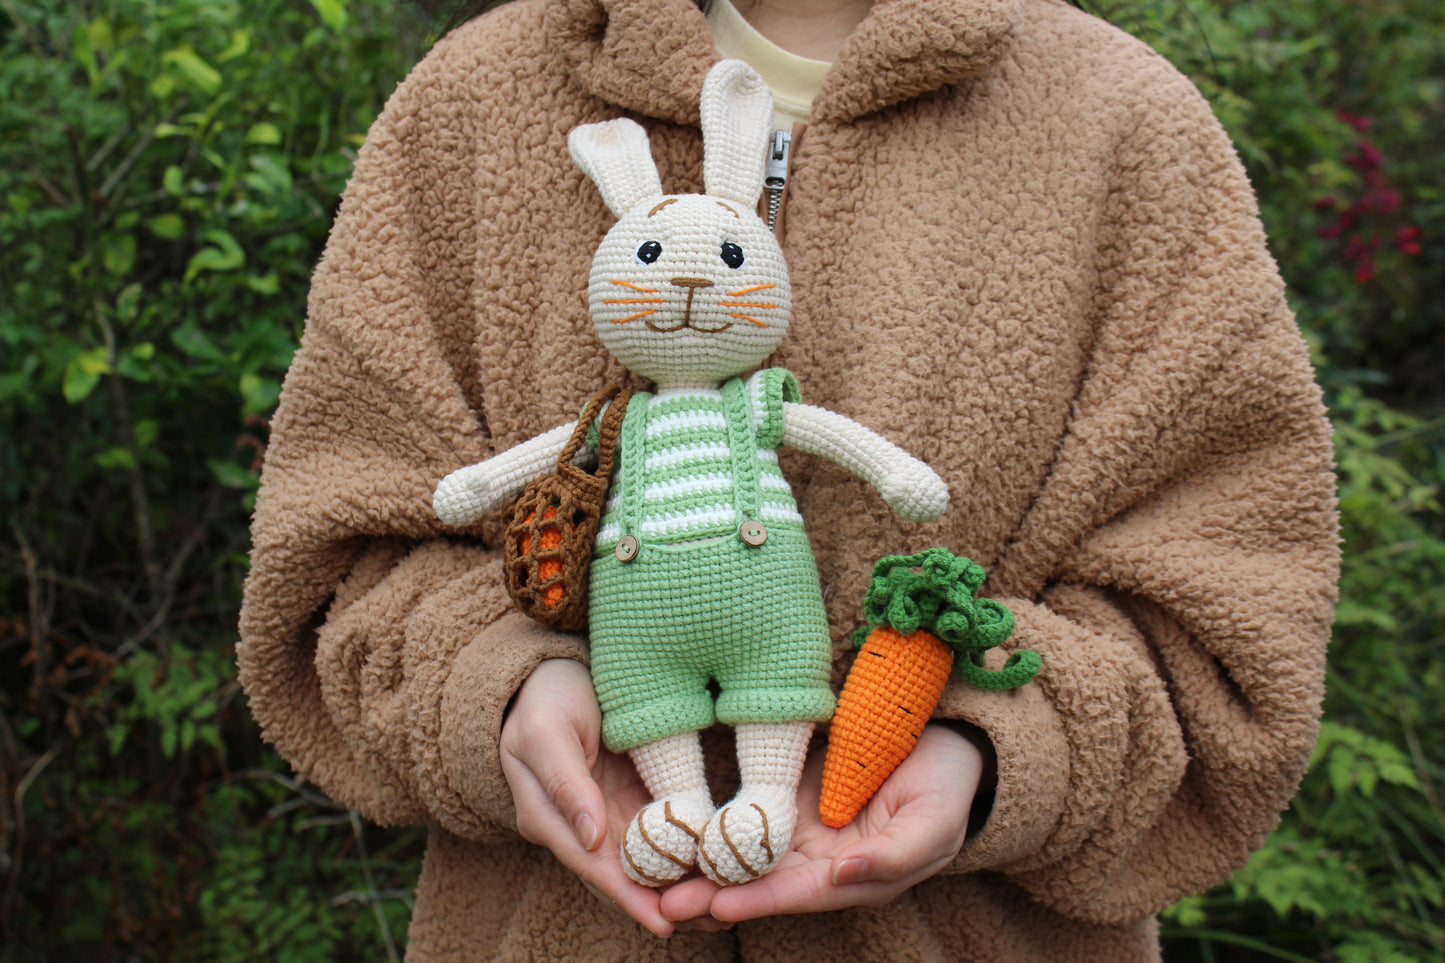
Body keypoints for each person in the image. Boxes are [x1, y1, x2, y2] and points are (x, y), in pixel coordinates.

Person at [236, 0, 1341, 959]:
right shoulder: (474, 104)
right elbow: (343, 550)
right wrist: (499, 683)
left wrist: (984, 749)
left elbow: (1229, 617)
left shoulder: (1122, 128)